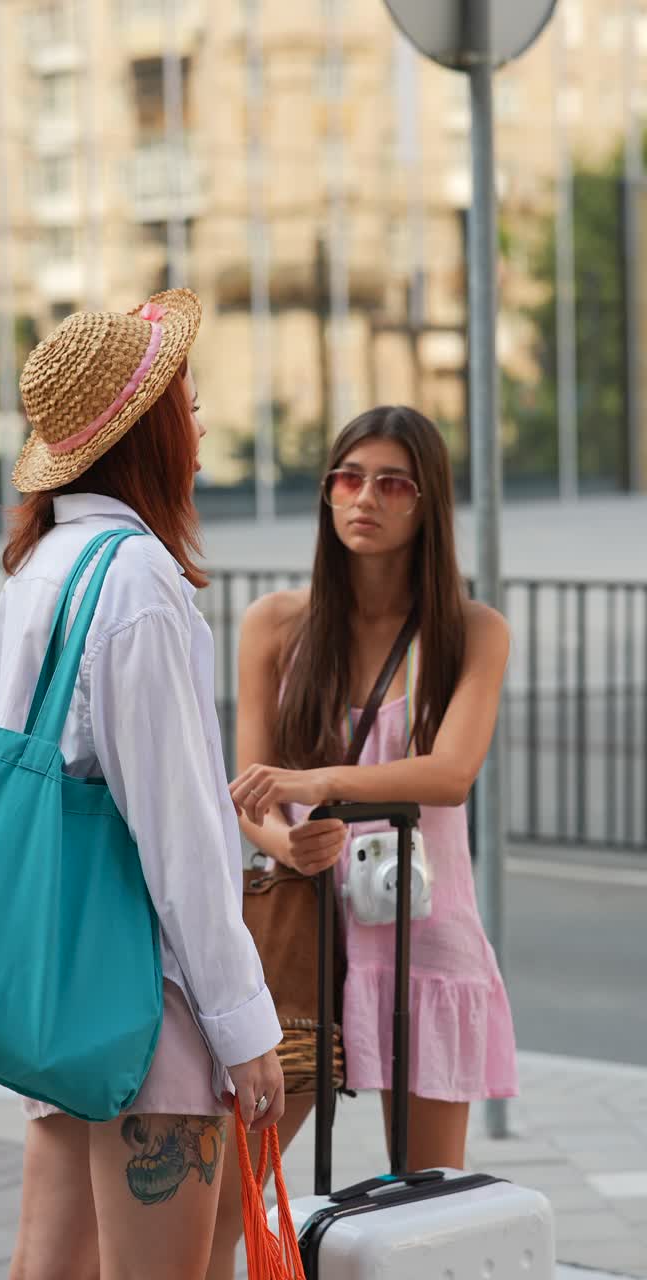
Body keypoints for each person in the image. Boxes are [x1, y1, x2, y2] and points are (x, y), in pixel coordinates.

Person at [0, 290, 284, 1280]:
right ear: (146, 433)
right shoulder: (137, 582)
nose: (199, 427)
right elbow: (182, 834)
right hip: (143, 997)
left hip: (54, 979)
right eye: (185, 406)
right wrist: (245, 1027)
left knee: (45, 1266)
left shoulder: (38, 567)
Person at [207, 404, 518, 1280]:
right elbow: (249, 793)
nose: (363, 499)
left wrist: (319, 785)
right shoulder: (276, 624)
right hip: (306, 943)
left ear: (428, 503)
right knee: (228, 1204)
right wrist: (286, 839)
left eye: (391, 483)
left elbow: (450, 773)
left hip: (425, 937)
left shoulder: (471, 633)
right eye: (347, 478)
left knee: (428, 1215)